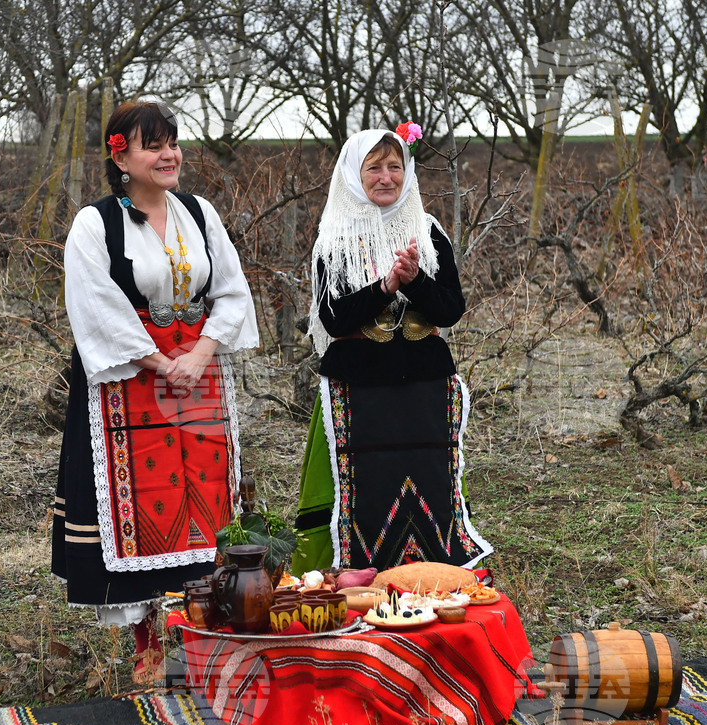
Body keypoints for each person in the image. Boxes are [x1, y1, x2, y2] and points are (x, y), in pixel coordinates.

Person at [52, 101, 258, 684]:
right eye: (154, 146)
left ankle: (207, 632)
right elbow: (95, 305)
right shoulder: (96, 224)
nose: (170, 155)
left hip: (199, 376)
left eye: (173, 142)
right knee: (140, 507)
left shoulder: (199, 213)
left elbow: (231, 290)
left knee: (206, 501)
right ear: (121, 156)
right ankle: (148, 642)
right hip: (132, 381)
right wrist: (160, 362)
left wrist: (198, 355)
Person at [293, 126, 493, 575]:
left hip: (424, 383)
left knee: (429, 481)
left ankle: (432, 574)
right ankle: (362, 574)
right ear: (353, 174)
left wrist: (416, 280)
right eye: (374, 168)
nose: (386, 177)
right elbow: (334, 318)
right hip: (361, 386)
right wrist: (384, 287)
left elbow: (450, 309)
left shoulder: (426, 231)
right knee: (368, 485)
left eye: (394, 167)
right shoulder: (335, 239)